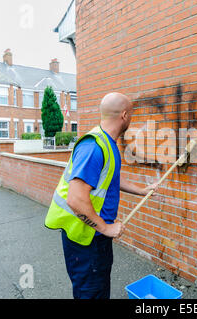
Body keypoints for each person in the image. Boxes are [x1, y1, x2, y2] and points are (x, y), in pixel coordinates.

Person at [45, 92, 158, 299]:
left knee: (99, 289)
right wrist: (106, 228)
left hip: (95, 236)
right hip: (86, 239)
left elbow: (110, 176)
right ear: (124, 115)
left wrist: (141, 190)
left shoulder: (107, 143)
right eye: (131, 114)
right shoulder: (94, 147)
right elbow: (75, 199)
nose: (131, 119)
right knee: (91, 293)